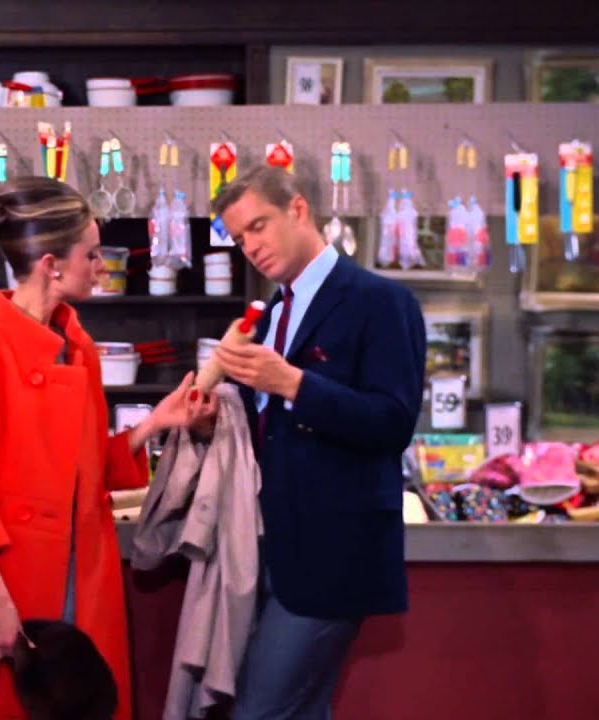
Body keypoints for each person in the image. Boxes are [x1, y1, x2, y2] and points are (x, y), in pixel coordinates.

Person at [0, 176, 215, 719]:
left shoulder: (79, 349)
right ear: (52, 265)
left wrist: (156, 423)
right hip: (3, 581)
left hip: (81, 574)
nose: (100, 266)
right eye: (91, 254)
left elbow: (86, 469)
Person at [211, 164, 426, 719]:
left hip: (335, 553)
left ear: (299, 209)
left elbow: (393, 421)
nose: (251, 247)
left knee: (258, 712)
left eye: (259, 226)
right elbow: (267, 428)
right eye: (240, 238)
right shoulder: (270, 313)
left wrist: (293, 384)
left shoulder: (380, 301)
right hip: (270, 548)